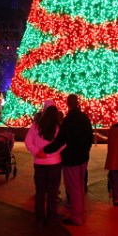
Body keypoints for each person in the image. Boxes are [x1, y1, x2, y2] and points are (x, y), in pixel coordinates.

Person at [42, 93, 94, 226]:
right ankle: (81, 213)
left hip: (71, 158)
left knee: (73, 188)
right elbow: (90, 137)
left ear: (68, 104)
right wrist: (86, 150)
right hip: (83, 157)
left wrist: (46, 150)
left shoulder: (69, 120)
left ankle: (76, 217)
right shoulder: (84, 117)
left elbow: (60, 140)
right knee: (80, 186)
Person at [24, 100, 65, 226]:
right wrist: (52, 153)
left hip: (40, 163)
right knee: (52, 192)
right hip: (55, 163)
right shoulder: (58, 127)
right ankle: (52, 217)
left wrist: (37, 152)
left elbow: (28, 141)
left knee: (40, 191)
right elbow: (63, 144)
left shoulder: (36, 126)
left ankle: (39, 218)